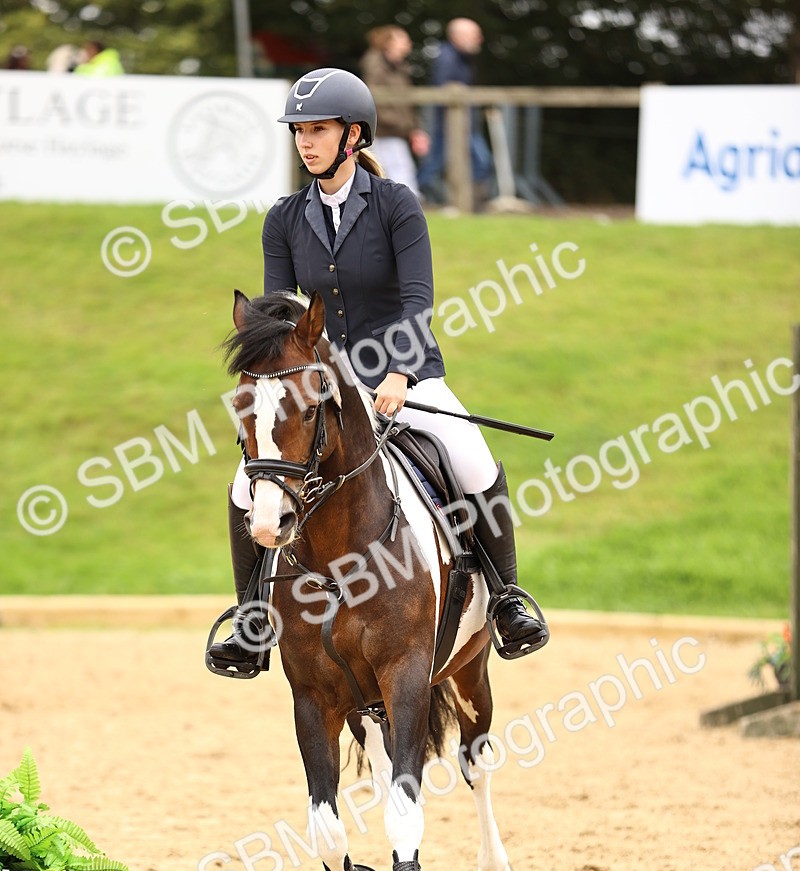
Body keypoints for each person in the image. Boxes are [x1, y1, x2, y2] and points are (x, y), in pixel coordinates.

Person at [208, 68, 547, 674]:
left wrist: (398, 374)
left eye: (318, 130)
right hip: (322, 387)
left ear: (354, 136)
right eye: (299, 132)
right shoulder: (283, 219)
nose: (305, 142)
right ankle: (252, 618)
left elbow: (418, 300)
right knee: (245, 484)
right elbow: (278, 318)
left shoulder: (396, 206)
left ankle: (506, 600)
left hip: (404, 373)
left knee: (469, 455)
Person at [416, 18, 493, 204]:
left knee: (439, 165)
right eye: (475, 35)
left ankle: (464, 203)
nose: (480, 39)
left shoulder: (461, 58)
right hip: (449, 125)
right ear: (459, 36)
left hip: (461, 125)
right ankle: (417, 201)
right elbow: (445, 93)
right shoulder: (448, 58)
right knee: (436, 166)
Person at [360, 26, 429, 196]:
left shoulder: (399, 68)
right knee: (396, 171)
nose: (407, 44)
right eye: (402, 39)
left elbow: (405, 103)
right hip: (383, 131)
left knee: (398, 170)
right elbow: (376, 100)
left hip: (396, 131)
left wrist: (414, 128)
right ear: (388, 43)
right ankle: (407, 206)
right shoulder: (375, 65)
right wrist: (407, 127)